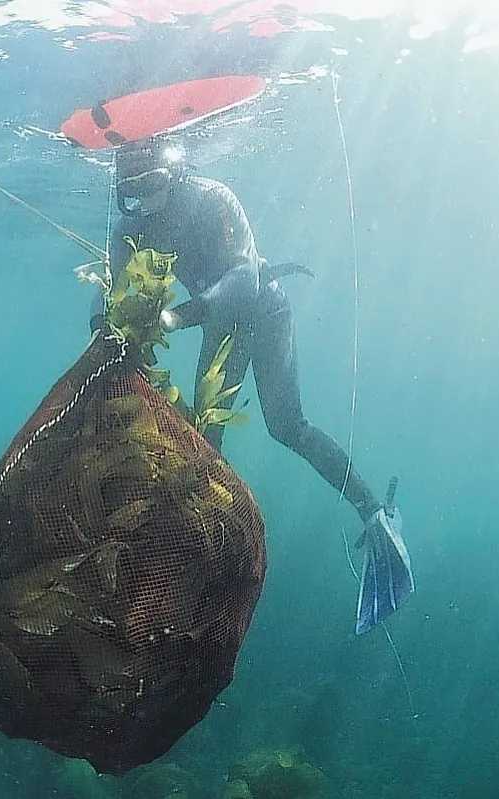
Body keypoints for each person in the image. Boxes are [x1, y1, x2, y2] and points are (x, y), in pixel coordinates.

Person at [89, 137, 413, 633]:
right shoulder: (130, 227)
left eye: (151, 186)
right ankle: (191, 558)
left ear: (171, 175)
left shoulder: (211, 199)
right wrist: (105, 327)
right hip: (220, 321)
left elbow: (242, 280)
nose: (144, 202)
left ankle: (374, 514)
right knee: (201, 441)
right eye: (131, 194)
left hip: (263, 307)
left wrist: (174, 318)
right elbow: (107, 288)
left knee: (287, 426)